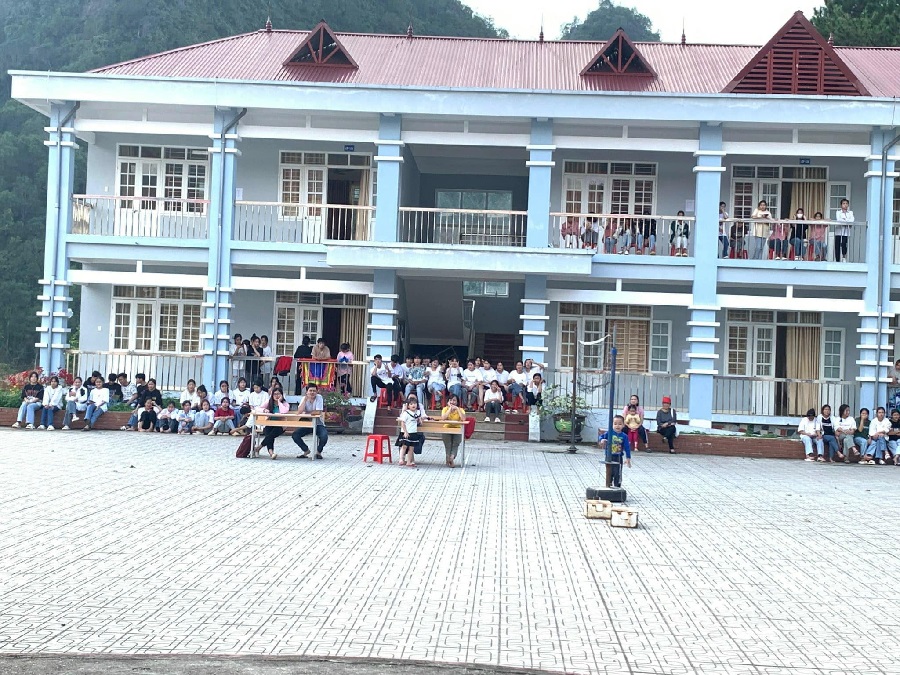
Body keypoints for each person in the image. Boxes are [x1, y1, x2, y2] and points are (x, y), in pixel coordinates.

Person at [293, 383, 328, 459]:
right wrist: (305, 400)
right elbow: (299, 411)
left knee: (324, 436)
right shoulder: (304, 398)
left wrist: (307, 412)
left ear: (317, 391)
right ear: (307, 392)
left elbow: (318, 411)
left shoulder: (319, 397)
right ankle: (306, 450)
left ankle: (318, 452)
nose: (312, 392)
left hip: (318, 424)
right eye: (310, 391)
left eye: (314, 391)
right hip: (308, 423)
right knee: (295, 435)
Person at [255, 388, 291, 460]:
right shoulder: (269, 402)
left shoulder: (285, 404)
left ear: (282, 395)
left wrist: (279, 402)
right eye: (275, 394)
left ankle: (259, 447)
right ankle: (271, 453)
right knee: (268, 433)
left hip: (280, 425)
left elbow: (284, 412)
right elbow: (257, 408)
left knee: (271, 435)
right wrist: (264, 410)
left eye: (278, 394)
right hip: (269, 423)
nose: (277, 396)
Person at [598, 415, 632, 489]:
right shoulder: (609, 433)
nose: (617, 426)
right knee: (609, 472)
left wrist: (628, 458)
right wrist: (602, 440)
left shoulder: (624, 436)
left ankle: (617, 487)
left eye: (620, 424)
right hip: (609, 456)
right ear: (612, 424)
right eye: (615, 423)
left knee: (618, 473)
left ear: (623, 425)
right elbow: (601, 437)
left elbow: (627, 447)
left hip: (618, 457)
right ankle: (608, 485)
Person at [398, 396, 429, 467]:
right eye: (411, 404)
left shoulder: (417, 412)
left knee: (411, 448)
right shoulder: (406, 413)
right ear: (408, 406)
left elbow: (418, 419)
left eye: (415, 403)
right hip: (406, 432)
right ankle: (401, 459)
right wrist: (405, 432)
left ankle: (409, 461)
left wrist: (420, 420)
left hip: (413, 432)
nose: (413, 405)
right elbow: (402, 423)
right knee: (404, 446)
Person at [440, 394, 467, 468]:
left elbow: (463, 419)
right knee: (448, 445)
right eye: (450, 400)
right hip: (447, 428)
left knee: (456, 444)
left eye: (454, 400)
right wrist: (449, 409)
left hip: (458, 429)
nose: (452, 402)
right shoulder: (445, 409)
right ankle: (448, 459)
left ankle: (451, 458)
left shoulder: (461, 409)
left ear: (457, 402)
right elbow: (443, 418)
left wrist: (457, 409)